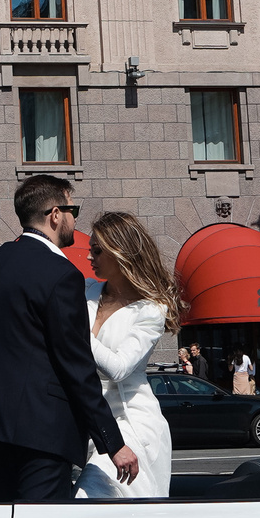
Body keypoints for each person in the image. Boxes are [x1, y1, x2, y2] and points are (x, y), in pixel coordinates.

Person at [0, 175, 134, 503]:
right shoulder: (61, 275)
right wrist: (113, 443)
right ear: (55, 214)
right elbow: (75, 364)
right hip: (42, 429)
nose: (75, 218)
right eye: (72, 209)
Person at [76, 212, 178, 501]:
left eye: (97, 250)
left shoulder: (151, 310)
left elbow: (118, 368)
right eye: (89, 249)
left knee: (88, 496)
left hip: (130, 422)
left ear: (120, 252)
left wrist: (71, 333)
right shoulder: (85, 289)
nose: (89, 257)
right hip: (89, 422)